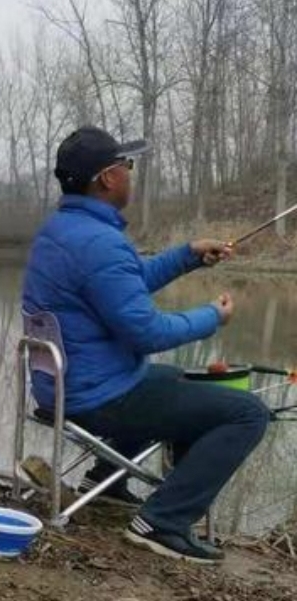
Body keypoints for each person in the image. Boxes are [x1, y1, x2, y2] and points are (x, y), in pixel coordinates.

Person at [21, 125, 270, 564]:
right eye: (127, 166)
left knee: (172, 377)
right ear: (108, 178)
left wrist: (188, 255)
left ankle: (107, 479)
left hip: (60, 385)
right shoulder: (99, 243)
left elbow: (126, 285)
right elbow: (146, 332)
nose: (131, 174)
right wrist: (212, 316)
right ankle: (163, 520)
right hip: (96, 395)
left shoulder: (63, 230)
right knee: (247, 414)